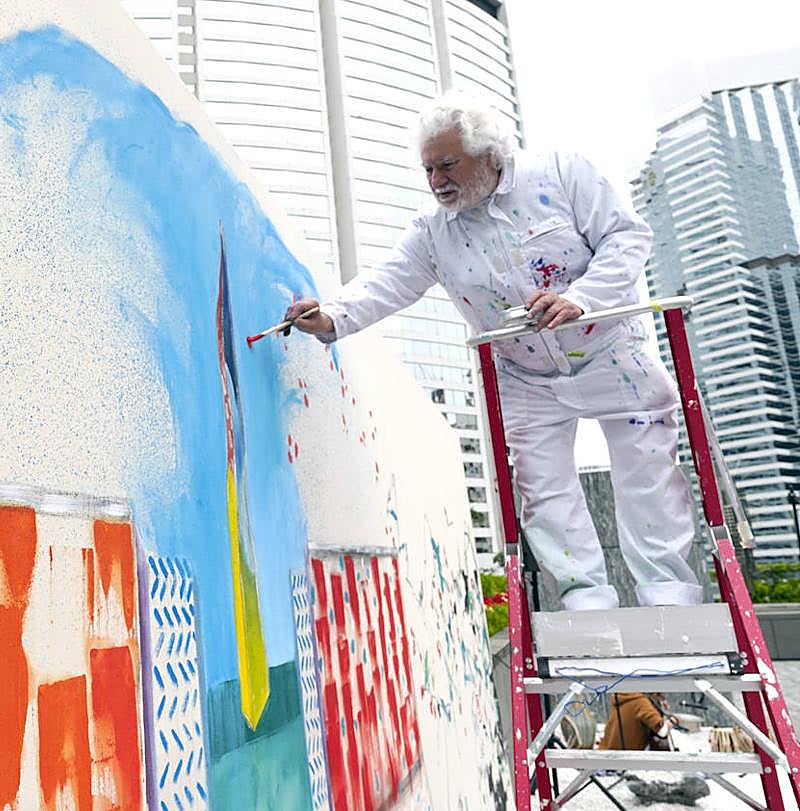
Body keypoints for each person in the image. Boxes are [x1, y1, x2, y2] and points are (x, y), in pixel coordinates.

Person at [284, 92, 702, 610]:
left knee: (648, 476)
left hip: (613, 354)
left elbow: (627, 238)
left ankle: (671, 600)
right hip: (525, 376)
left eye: (447, 164)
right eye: (428, 169)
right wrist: (329, 316)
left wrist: (580, 299)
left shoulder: (562, 174)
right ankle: (585, 603)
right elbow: (387, 281)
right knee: (543, 494)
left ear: (488, 154)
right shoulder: (432, 231)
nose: (436, 181)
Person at [598, 692, 677, 751]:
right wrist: (675, 720)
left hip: (606, 753)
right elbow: (662, 730)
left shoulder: (627, 698)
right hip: (623, 762)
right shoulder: (641, 702)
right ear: (656, 693)